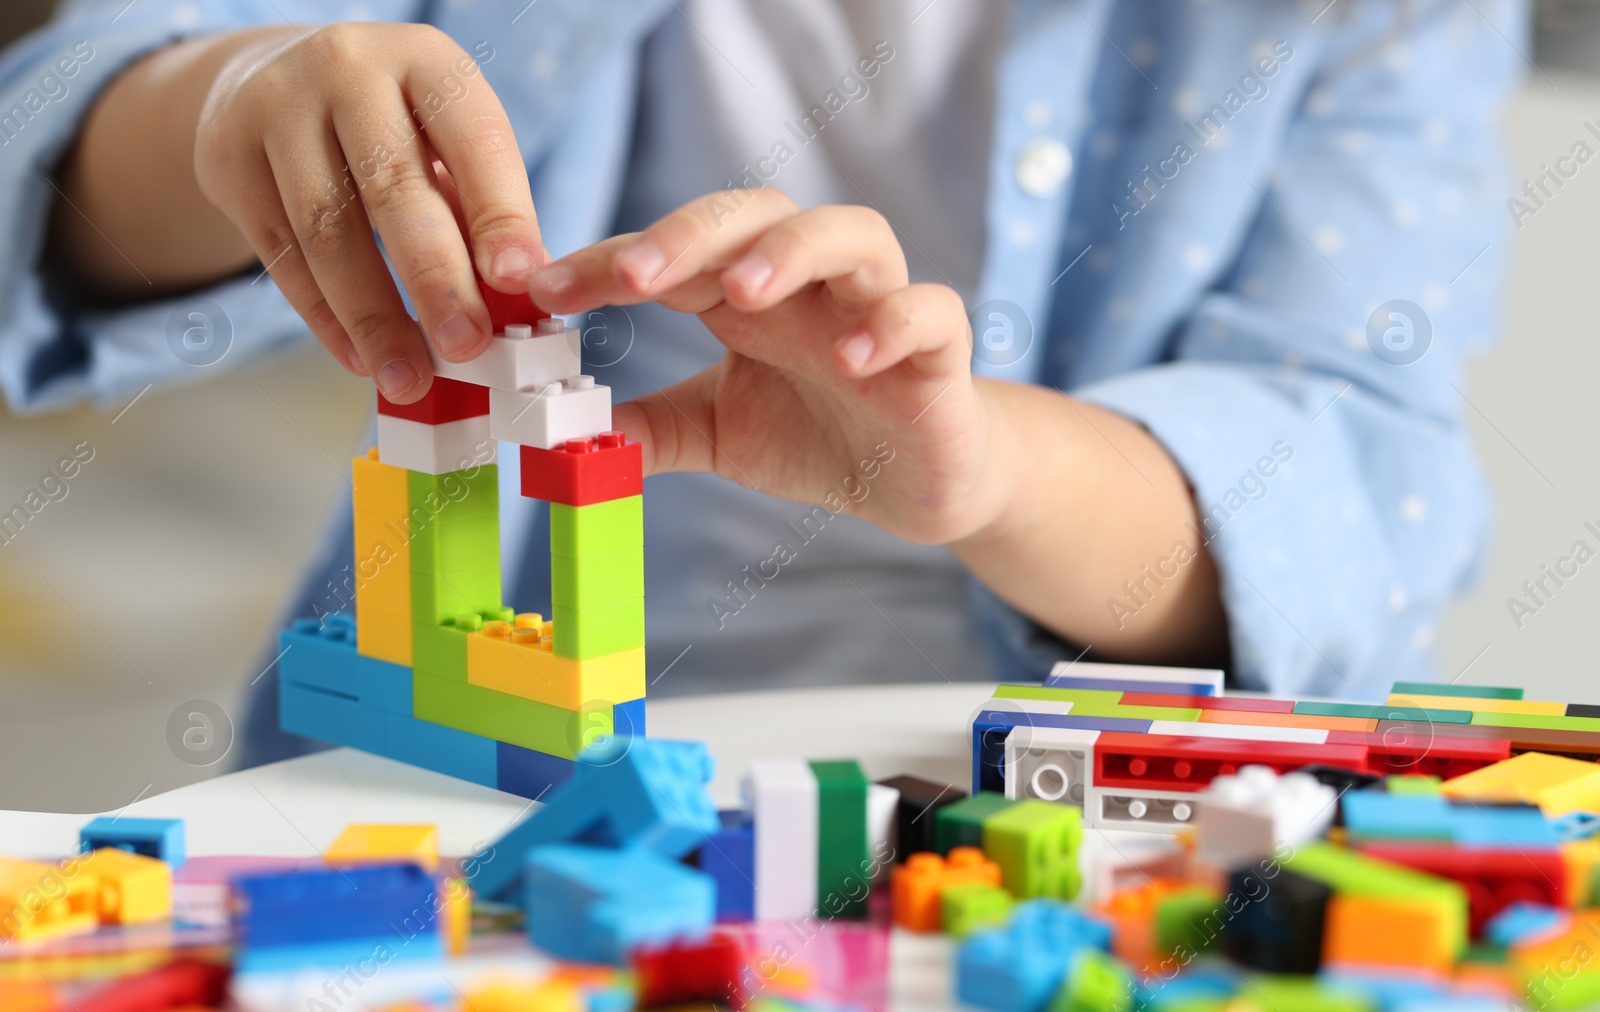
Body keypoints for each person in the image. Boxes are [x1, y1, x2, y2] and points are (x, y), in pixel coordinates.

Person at [0, 1, 1523, 764]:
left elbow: (1350, 497)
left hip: (1016, 800)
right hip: (490, 758)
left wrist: (980, 468)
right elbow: (62, 134)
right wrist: (236, 96)